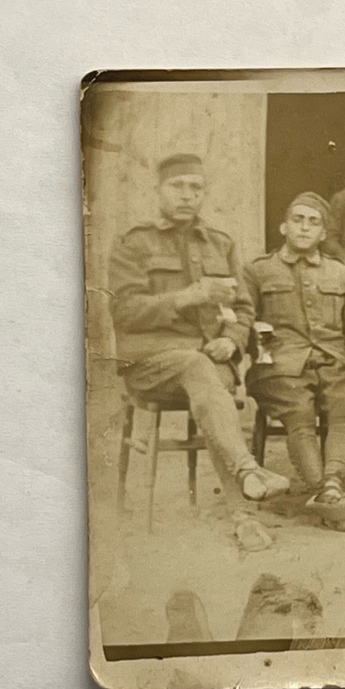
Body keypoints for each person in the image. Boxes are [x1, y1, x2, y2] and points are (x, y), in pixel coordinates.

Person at [108, 153, 289, 552]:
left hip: (207, 363)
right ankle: (245, 500)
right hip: (149, 363)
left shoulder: (220, 243)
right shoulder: (134, 242)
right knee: (199, 368)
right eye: (178, 186)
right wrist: (189, 296)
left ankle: (245, 491)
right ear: (158, 190)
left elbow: (242, 309)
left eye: (196, 187)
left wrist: (233, 340)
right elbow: (123, 310)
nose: (188, 195)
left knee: (204, 373)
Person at [244, 193, 345, 531]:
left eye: (313, 222)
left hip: (335, 362)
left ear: (322, 234)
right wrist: (257, 358)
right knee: (300, 414)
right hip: (280, 367)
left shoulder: (340, 272)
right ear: (284, 227)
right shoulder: (258, 271)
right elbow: (244, 322)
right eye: (298, 220)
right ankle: (325, 493)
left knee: (344, 409)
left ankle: (330, 486)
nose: (304, 227)